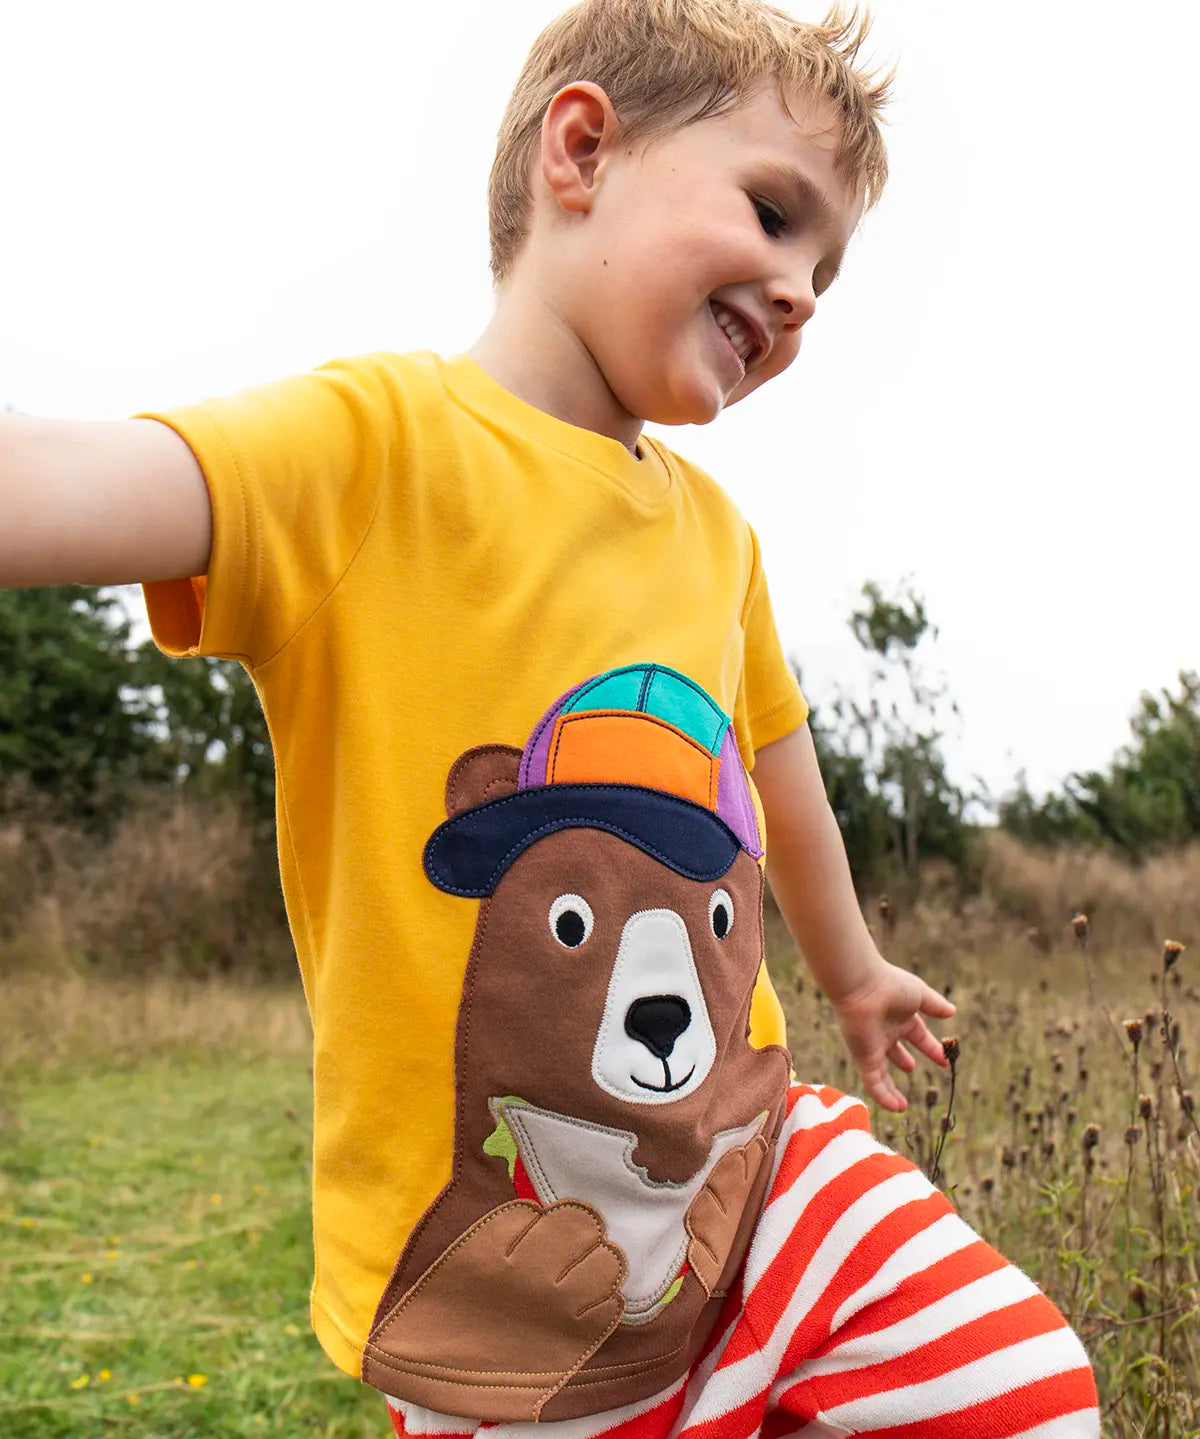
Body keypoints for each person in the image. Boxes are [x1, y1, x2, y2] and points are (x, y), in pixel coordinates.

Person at [1, 1, 1099, 1433]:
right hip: (505, 1300)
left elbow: (777, 768)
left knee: (1023, 1392)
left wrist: (856, 968)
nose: (804, 290)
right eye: (775, 214)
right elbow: (87, 482)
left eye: (826, 267)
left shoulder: (717, 537)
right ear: (580, 150)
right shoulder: (371, 449)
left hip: (752, 1166)